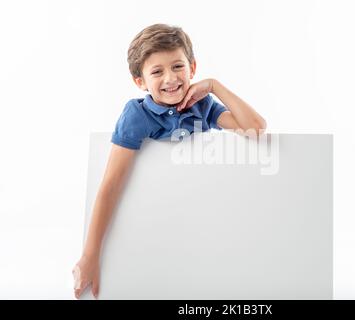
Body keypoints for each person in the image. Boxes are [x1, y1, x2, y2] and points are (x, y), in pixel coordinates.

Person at [72, 23, 266, 299]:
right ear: (140, 82)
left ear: (192, 68)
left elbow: (256, 129)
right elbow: (110, 186)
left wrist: (213, 86)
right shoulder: (136, 116)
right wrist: (89, 255)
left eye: (178, 67)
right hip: (155, 225)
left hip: (202, 221)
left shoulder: (203, 105)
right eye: (156, 71)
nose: (170, 79)